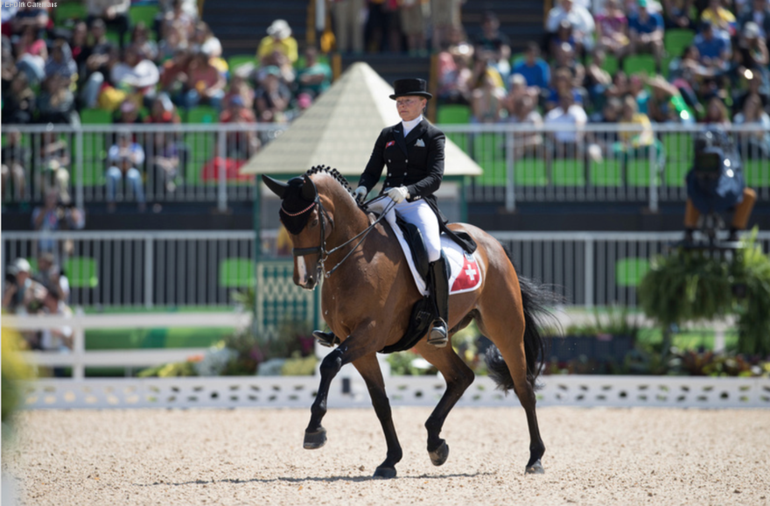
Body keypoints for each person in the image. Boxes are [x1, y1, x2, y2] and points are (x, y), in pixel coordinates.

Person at [317, 78, 450, 348]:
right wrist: (364, 189)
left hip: (416, 203)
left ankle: (439, 318)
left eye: (408, 101)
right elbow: (372, 169)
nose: (402, 106)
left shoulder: (433, 136)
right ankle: (338, 324)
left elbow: (435, 178)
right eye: (400, 102)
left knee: (433, 249)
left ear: (423, 103)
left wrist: (409, 190)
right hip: (385, 199)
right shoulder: (388, 135)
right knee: (354, 239)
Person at [106, 131, 146, 212]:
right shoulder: (115, 148)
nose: (124, 141)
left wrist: (129, 154)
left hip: (131, 170)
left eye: (126, 139)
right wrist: (119, 154)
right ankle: (111, 201)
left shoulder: (136, 147)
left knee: (134, 175)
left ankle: (141, 202)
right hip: (118, 171)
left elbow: (140, 161)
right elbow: (110, 159)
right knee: (112, 173)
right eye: (122, 138)